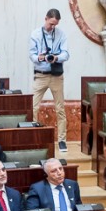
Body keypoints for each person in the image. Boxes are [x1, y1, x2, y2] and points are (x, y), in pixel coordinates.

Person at [29, 8, 70, 152]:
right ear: (45, 18)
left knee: (60, 109)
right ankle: (33, 138)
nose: (52, 27)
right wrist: (40, 57)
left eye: (55, 25)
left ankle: (62, 141)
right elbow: (32, 55)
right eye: (51, 23)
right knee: (33, 107)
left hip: (56, 76)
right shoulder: (35, 34)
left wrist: (56, 57)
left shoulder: (61, 34)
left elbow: (66, 54)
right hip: (40, 75)